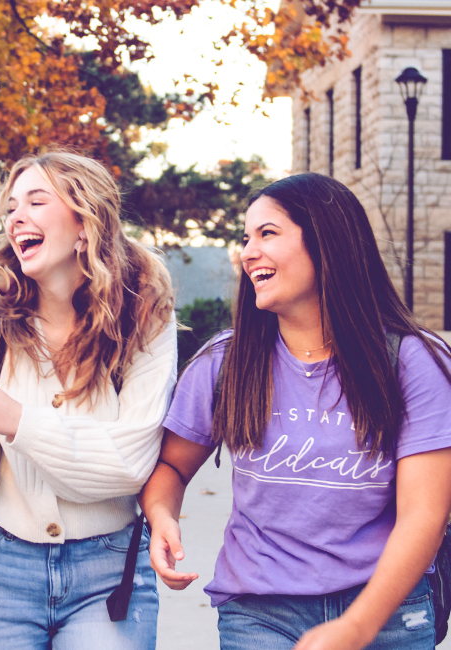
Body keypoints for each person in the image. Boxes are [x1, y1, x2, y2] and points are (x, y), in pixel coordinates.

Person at [140, 172, 451, 650]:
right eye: (245, 239)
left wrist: (357, 627)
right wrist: (163, 516)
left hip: (388, 612)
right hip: (259, 614)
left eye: (268, 234)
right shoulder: (226, 361)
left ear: (328, 242)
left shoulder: (411, 362)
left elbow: (424, 515)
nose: (247, 252)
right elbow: (171, 468)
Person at [0, 151, 177, 649]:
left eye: (37, 201)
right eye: (12, 207)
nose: (17, 218)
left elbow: (128, 466)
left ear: (86, 223)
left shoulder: (144, 320)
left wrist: (19, 422)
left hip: (108, 572)